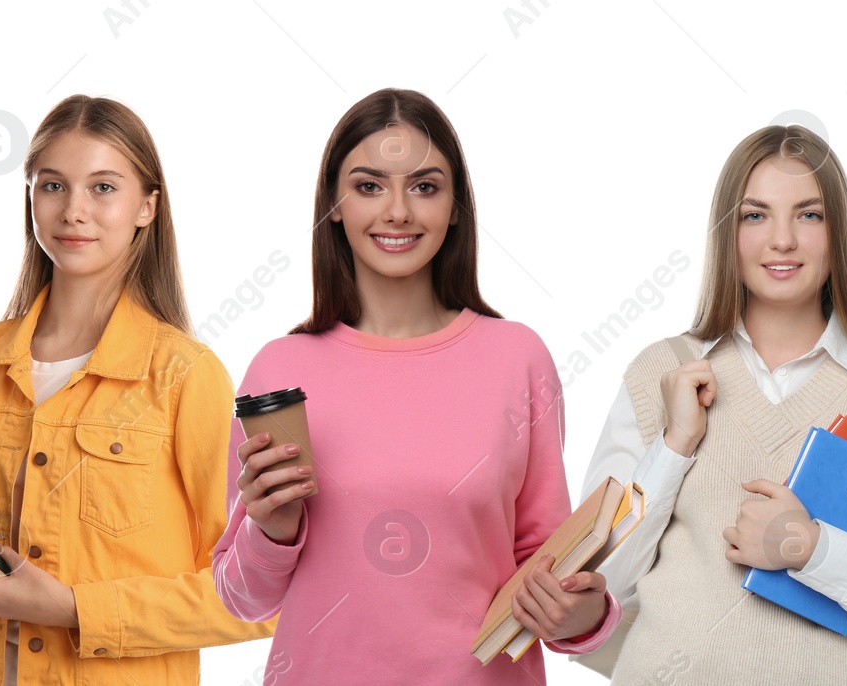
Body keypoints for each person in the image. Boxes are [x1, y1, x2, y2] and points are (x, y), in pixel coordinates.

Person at [0, 94, 273, 685]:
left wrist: (75, 611)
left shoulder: (184, 376)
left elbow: (257, 593)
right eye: (52, 185)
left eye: (103, 188)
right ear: (30, 196)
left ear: (147, 206)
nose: (73, 210)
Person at [210, 88, 618, 686]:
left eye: (424, 186)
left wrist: (584, 614)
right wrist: (273, 529)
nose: (397, 211)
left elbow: (546, 564)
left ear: (455, 206)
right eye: (369, 186)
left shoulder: (517, 358)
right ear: (334, 205)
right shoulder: (279, 370)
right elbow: (243, 600)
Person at [582, 124, 847, 683]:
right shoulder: (660, 372)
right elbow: (600, 580)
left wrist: (812, 550)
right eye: (755, 215)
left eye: (809, 215)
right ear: (727, 232)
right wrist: (675, 445)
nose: (782, 240)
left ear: (839, 233)